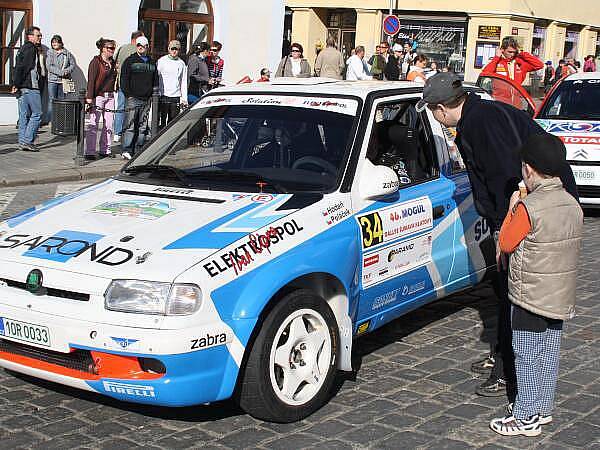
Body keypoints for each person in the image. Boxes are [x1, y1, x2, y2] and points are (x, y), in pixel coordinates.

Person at [416, 73, 578, 398]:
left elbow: (509, 181)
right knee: (503, 289)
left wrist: (507, 237)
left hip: (534, 213)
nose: (434, 117)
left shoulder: (481, 125)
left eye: (432, 110)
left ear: (442, 108)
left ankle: (509, 371)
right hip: (532, 207)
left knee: (513, 293)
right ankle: (503, 353)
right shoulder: (479, 113)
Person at [489, 133, 583, 437]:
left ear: (528, 169)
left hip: (529, 295)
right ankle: (543, 408)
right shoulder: (572, 203)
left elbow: (505, 241)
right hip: (558, 295)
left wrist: (515, 205)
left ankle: (525, 414)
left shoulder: (530, 207)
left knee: (527, 356)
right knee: (549, 353)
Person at [120, 35, 158, 160]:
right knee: (130, 125)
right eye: (139, 45)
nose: (141, 48)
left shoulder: (152, 62)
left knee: (142, 126)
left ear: (147, 47)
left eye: (143, 46)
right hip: (133, 98)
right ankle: (126, 149)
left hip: (146, 99)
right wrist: (128, 95)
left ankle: (138, 149)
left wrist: (153, 94)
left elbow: (155, 79)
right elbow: (124, 79)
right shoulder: (129, 60)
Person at [12, 25, 45, 152]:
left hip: (22, 86)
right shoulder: (31, 49)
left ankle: (22, 141)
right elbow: (25, 67)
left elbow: (18, 67)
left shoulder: (23, 48)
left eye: (40, 35)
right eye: (38, 35)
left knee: (24, 115)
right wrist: (17, 84)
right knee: (37, 114)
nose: (40, 37)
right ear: (30, 36)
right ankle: (27, 141)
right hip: (30, 86)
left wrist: (16, 84)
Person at [85, 38, 117, 160]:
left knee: (109, 124)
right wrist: (89, 98)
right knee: (93, 124)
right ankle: (90, 151)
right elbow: (91, 80)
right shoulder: (95, 62)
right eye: (110, 48)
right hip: (98, 96)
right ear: (103, 49)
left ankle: (105, 149)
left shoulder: (113, 63)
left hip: (110, 96)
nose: (112, 50)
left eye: (113, 48)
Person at [113, 30, 144, 144]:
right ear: (136, 39)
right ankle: (129, 133)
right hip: (133, 86)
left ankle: (117, 133)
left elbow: (115, 63)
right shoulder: (137, 50)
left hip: (122, 83)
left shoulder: (122, 48)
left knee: (120, 108)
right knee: (132, 110)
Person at [157, 40, 188, 129]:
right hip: (163, 95)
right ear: (168, 49)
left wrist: (184, 98)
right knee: (162, 121)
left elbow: (183, 81)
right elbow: (157, 77)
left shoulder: (182, 63)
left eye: (176, 49)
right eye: (172, 49)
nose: (174, 51)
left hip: (176, 96)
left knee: (172, 122)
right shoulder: (162, 61)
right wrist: (158, 93)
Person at [46, 35, 74, 122]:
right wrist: (61, 72)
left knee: (62, 101)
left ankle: (61, 120)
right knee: (52, 100)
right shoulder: (50, 52)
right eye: (53, 42)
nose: (54, 43)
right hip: (53, 80)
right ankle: (52, 120)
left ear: (61, 43)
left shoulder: (67, 53)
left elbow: (72, 65)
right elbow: (49, 66)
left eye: (56, 41)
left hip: (63, 81)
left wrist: (66, 71)